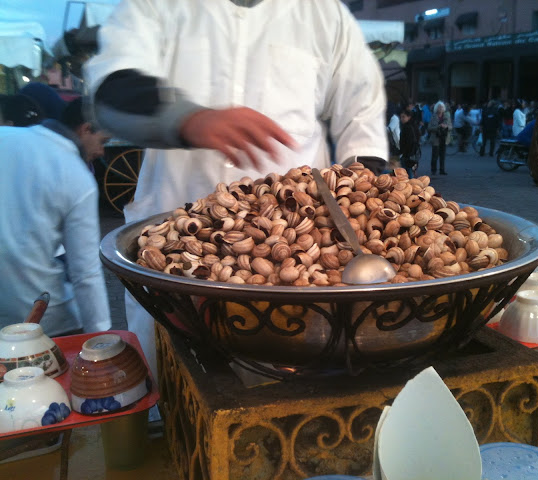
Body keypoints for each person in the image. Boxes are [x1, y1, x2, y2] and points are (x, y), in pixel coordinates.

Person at [84, 0, 389, 378]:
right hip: (177, 246)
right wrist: (188, 118)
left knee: (287, 383)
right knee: (182, 381)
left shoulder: (323, 13)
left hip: (295, 251)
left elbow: (362, 109)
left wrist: (370, 188)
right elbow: (112, 87)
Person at [0, 98, 112, 336]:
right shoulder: (77, 176)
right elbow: (86, 271)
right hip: (43, 319)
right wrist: (99, 337)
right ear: (85, 128)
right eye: (103, 142)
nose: (101, 152)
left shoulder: (6, 137)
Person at [427, 101, 451, 175]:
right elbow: (429, 128)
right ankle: (433, 170)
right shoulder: (433, 116)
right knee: (435, 155)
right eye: (439, 107)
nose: (440, 109)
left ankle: (442, 170)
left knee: (442, 155)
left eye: (441, 107)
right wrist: (438, 127)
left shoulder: (447, 116)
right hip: (436, 138)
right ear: (436, 108)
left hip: (444, 137)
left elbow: (451, 126)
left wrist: (446, 126)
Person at [399, 109, 420, 178]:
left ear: (409, 117)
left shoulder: (407, 127)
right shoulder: (414, 126)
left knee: (407, 172)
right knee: (410, 171)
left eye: (403, 117)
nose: (401, 119)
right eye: (401, 117)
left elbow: (408, 142)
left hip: (408, 154)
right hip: (413, 153)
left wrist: (403, 152)